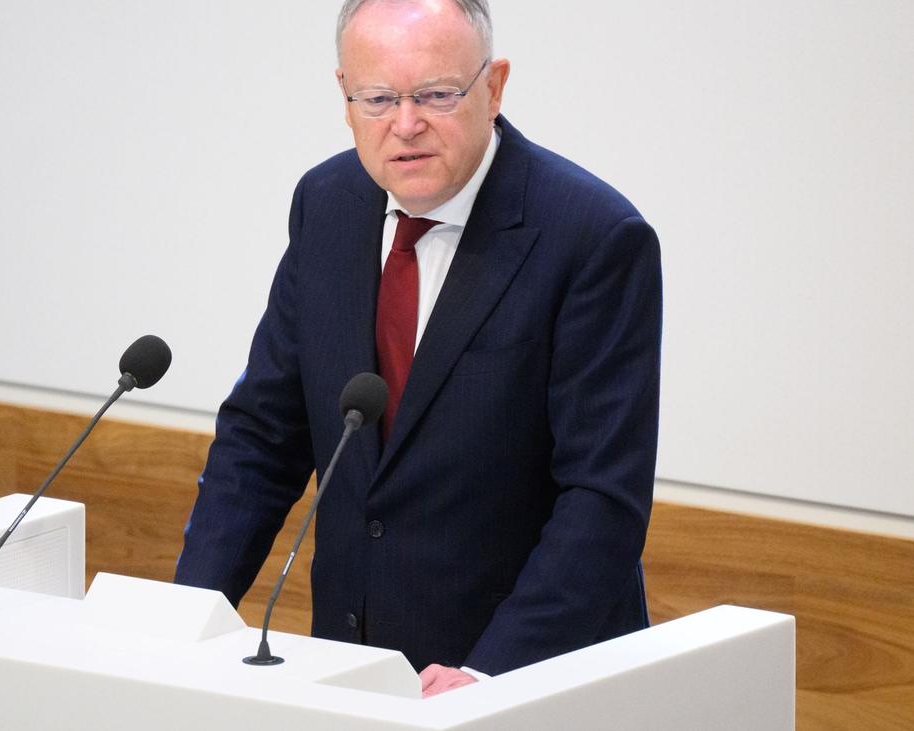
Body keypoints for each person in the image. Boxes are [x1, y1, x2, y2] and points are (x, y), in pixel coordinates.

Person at [174, 0, 661, 698]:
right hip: (352, 670)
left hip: (523, 678)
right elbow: (262, 435)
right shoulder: (327, 204)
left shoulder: (592, 237)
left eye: (436, 94)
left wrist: (489, 673)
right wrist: (187, 618)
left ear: (494, 86)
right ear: (345, 97)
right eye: (377, 99)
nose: (405, 124)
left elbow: (602, 498)